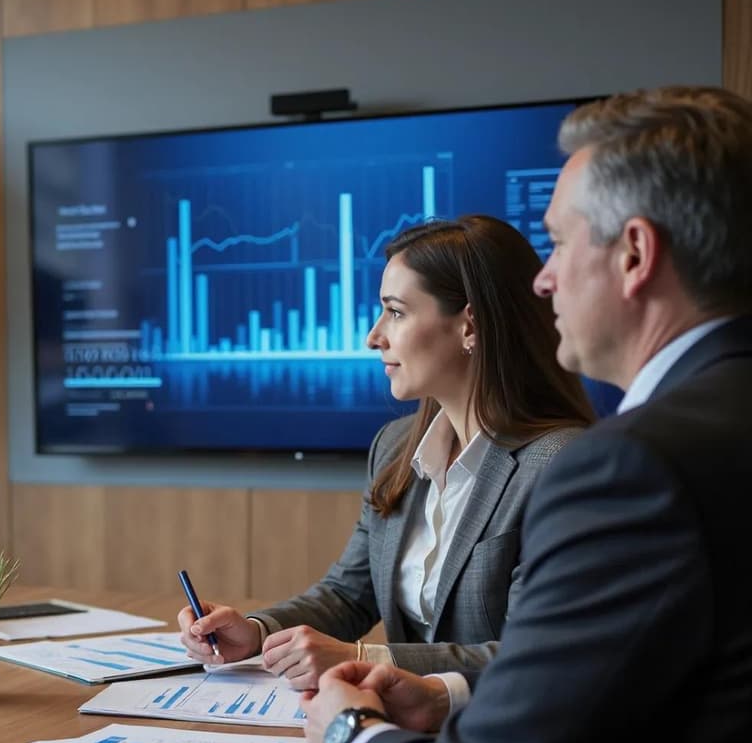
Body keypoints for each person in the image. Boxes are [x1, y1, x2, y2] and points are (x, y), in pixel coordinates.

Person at [305, 86, 752, 743]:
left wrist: (346, 735)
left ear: (633, 254)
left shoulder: (628, 468)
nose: (541, 281)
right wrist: (445, 697)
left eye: (558, 243)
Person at [179, 215, 594, 688]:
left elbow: (533, 656)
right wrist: (254, 633)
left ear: (470, 326)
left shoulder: (562, 465)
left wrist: (364, 657)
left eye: (395, 312)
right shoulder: (396, 447)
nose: (374, 337)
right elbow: (347, 596)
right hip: (406, 729)